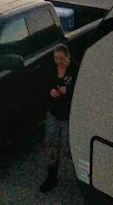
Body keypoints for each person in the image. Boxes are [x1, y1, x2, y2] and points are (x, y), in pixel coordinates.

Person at [40, 44, 76, 193]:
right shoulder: (51, 68)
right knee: (52, 145)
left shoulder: (75, 69)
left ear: (68, 57)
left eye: (61, 58)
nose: (58, 61)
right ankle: (51, 178)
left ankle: (79, 177)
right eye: (56, 58)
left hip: (68, 116)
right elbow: (44, 83)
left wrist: (69, 90)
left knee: (69, 148)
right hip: (54, 113)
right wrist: (50, 91)